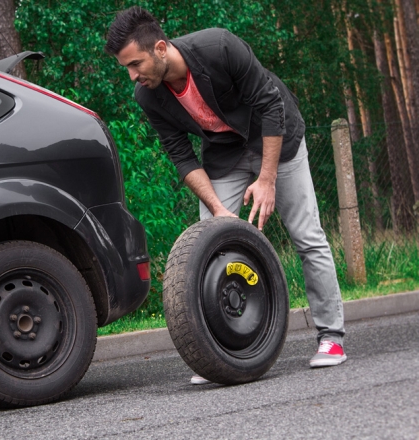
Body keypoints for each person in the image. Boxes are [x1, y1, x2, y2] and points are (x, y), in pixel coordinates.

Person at [105, 7, 347, 384]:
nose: (133, 75)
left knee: (307, 236)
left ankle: (331, 337)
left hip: (275, 140)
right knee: (209, 243)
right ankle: (219, 353)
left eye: (136, 63)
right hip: (224, 153)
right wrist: (219, 209)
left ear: (161, 49)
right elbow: (181, 155)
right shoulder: (148, 96)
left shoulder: (219, 47)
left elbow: (270, 104)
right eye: (127, 68)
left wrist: (267, 180)